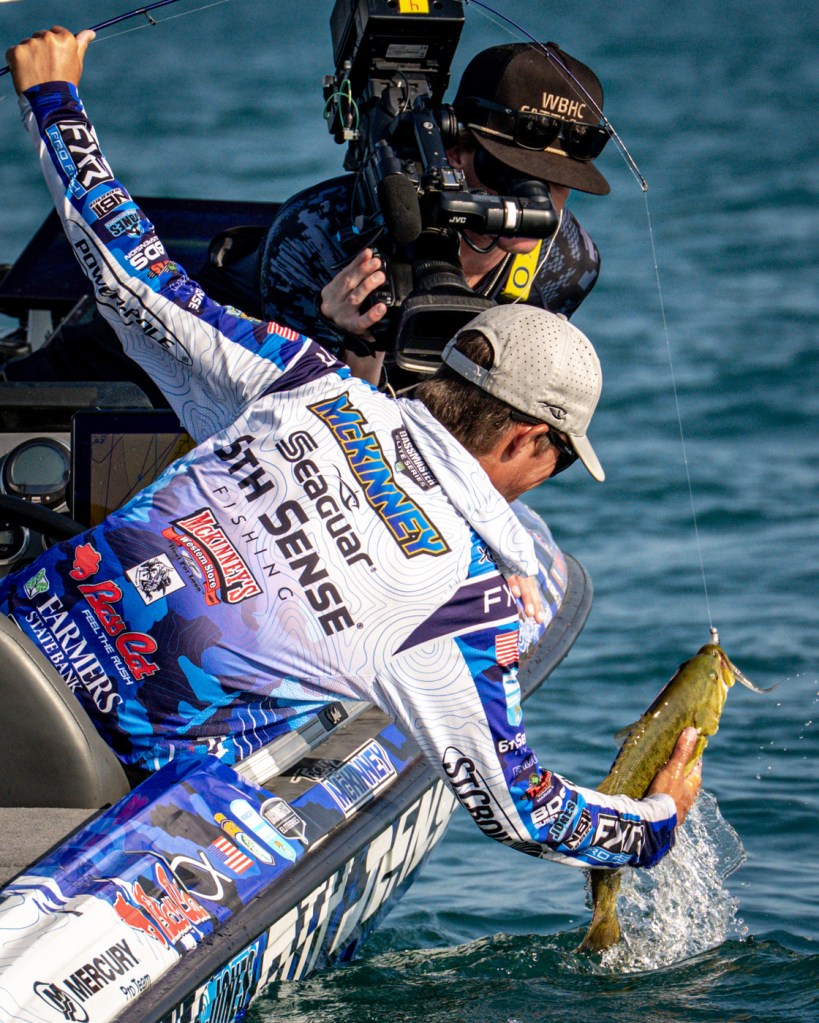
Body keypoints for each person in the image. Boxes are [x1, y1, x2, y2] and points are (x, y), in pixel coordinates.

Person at [3, 28, 700, 875]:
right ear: (527, 437)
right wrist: (659, 818)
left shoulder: (301, 376)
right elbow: (522, 809)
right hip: (105, 769)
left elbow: (130, 274)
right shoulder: (463, 612)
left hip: (19, 640)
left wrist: (54, 101)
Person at [260, 41, 610, 384]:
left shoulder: (569, 262)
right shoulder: (311, 237)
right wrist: (358, 343)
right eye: (512, 173)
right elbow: (287, 411)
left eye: (559, 179)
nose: (536, 201)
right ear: (456, 152)